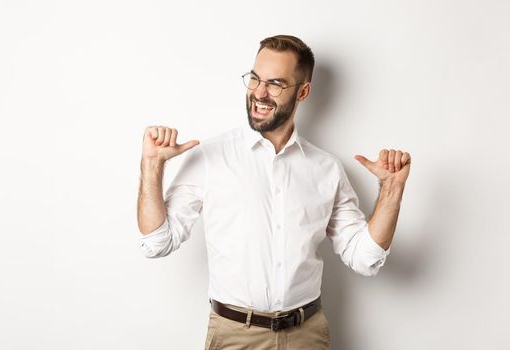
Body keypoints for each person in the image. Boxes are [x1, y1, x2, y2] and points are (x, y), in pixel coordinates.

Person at [136, 35, 411, 350]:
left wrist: (392, 190)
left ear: (303, 92)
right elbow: (157, 243)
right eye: (254, 79)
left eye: (275, 84)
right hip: (235, 336)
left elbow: (365, 259)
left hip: (307, 334)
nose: (259, 93)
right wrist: (152, 166)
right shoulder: (210, 157)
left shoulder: (326, 169)